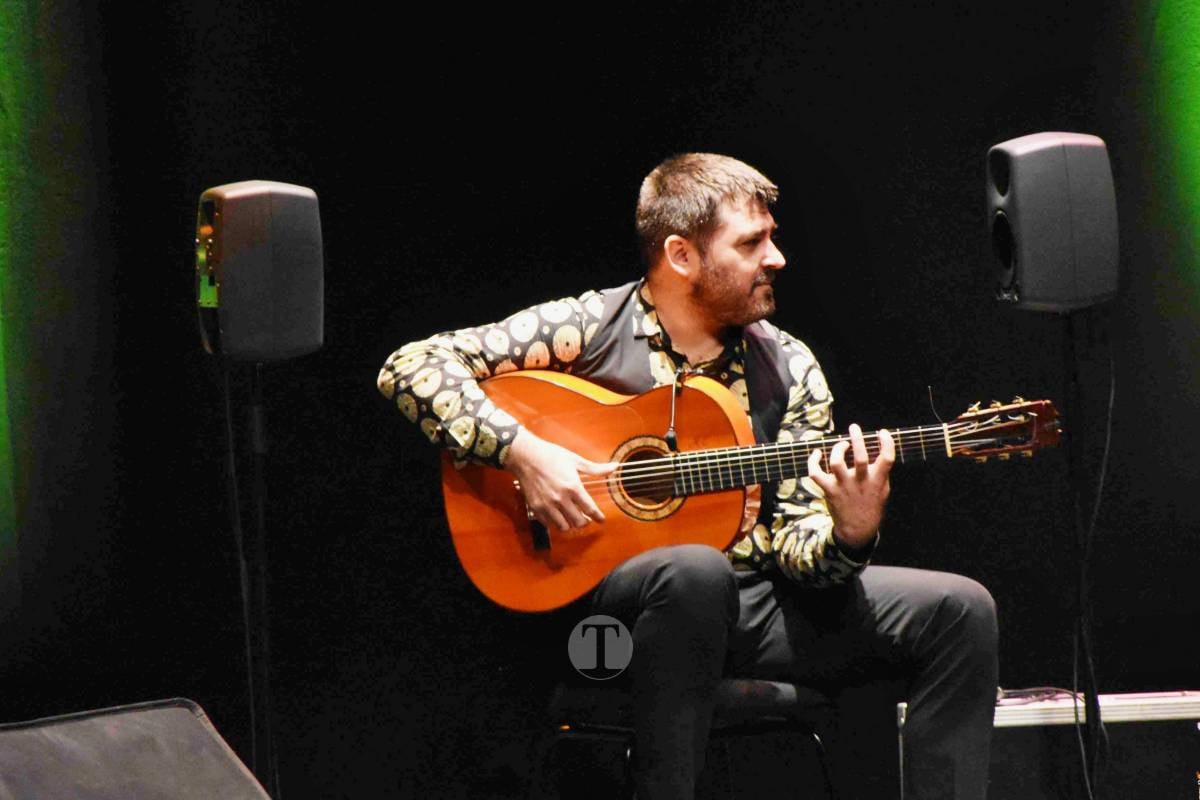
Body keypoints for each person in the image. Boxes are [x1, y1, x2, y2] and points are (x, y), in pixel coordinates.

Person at [377, 153, 998, 799]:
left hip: (750, 610)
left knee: (960, 609)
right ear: (680, 255)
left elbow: (802, 558)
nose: (777, 257)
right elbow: (412, 365)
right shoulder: (588, 328)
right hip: (602, 627)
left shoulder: (787, 366)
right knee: (694, 571)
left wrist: (851, 531)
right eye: (752, 242)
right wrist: (524, 453)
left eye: (773, 237)